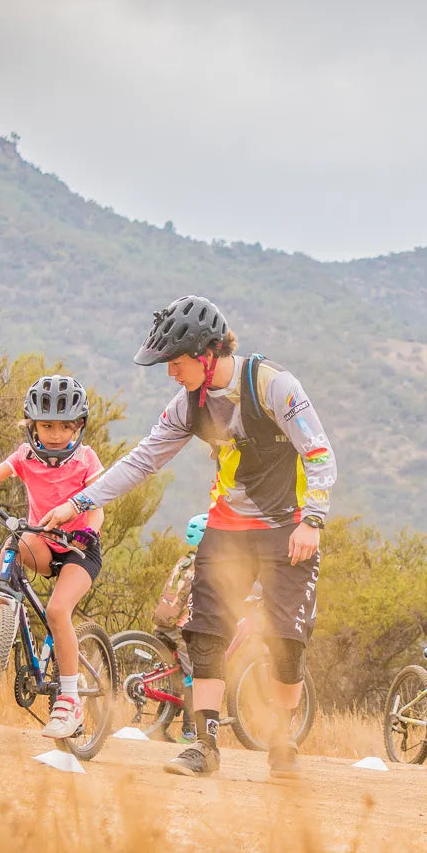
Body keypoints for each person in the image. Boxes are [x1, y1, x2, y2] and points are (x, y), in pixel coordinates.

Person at [43, 295, 336, 780]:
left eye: (176, 364)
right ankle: (204, 745)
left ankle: (283, 740)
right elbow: (143, 460)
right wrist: (78, 503)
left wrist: (314, 520)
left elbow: (320, 454)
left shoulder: (273, 386)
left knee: (288, 644)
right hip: (226, 528)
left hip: (288, 527)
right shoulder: (189, 404)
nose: (170, 374)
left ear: (207, 353)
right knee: (204, 634)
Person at [0, 375, 104, 739]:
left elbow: (99, 504)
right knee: (13, 539)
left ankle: (70, 701)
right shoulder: (25, 456)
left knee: (56, 611)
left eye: (63, 427)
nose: (54, 434)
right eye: (46, 425)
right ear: (31, 424)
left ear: (78, 426)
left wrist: (89, 530)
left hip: (80, 549)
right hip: (42, 542)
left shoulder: (86, 458)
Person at [152, 513, 209, 743]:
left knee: (176, 679)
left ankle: (159, 728)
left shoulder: (183, 560)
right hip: (180, 628)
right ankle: (189, 731)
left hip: (162, 624)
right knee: (194, 677)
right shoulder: (202, 566)